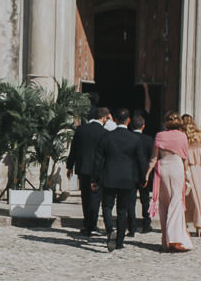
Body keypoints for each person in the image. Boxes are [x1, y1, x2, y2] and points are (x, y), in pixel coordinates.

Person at [93, 107, 145, 252]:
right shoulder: (135, 139)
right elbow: (141, 161)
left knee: (107, 206)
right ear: (128, 121)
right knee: (123, 210)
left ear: (114, 120)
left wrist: (95, 178)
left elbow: (98, 160)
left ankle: (110, 230)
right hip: (127, 178)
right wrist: (142, 178)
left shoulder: (106, 137)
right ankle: (120, 240)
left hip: (109, 176)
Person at [146, 111, 194, 252]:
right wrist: (186, 174)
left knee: (164, 203)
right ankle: (175, 239)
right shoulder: (182, 136)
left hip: (163, 169)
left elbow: (154, 158)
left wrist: (147, 174)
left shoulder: (160, 135)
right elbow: (185, 158)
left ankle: (167, 240)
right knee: (176, 201)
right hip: (177, 167)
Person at [66, 106, 110, 236]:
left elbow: (73, 149)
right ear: (103, 118)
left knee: (85, 197)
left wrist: (69, 166)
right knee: (95, 198)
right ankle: (92, 225)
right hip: (97, 170)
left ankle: (86, 224)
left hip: (83, 168)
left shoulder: (81, 129)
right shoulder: (104, 133)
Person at [129, 112, 155, 235]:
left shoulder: (128, 137)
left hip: (130, 173)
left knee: (130, 200)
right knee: (145, 200)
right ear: (143, 126)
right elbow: (152, 157)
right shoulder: (149, 140)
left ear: (131, 126)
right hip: (144, 173)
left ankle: (132, 226)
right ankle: (146, 224)